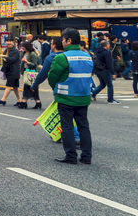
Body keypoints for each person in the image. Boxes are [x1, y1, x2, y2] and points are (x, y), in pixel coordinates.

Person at [47, 28, 94, 164]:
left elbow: (52, 76)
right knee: (83, 126)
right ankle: (86, 156)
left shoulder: (62, 57)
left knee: (67, 126)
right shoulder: (87, 56)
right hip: (83, 96)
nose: (62, 42)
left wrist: (55, 88)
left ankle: (71, 155)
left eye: (63, 39)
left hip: (66, 97)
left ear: (69, 41)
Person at [0, 37, 21, 106]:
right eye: (7, 41)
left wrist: (6, 58)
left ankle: (3, 99)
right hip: (9, 70)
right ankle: (19, 100)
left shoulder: (15, 51)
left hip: (13, 71)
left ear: (13, 42)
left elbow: (13, 59)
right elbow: (6, 59)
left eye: (10, 41)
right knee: (15, 87)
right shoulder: (6, 50)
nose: (8, 42)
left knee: (8, 85)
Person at [91, 39, 119, 104]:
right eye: (108, 44)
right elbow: (109, 63)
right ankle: (110, 99)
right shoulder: (105, 53)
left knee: (103, 84)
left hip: (98, 70)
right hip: (105, 70)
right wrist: (112, 73)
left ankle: (93, 94)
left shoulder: (97, 52)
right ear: (106, 45)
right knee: (110, 85)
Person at [17, 40, 41, 109]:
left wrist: (27, 62)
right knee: (29, 87)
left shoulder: (32, 54)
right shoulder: (24, 53)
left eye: (23, 47)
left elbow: (34, 64)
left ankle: (24, 102)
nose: (22, 48)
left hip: (32, 72)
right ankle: (37, 102)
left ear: (26, 47)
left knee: (30, 87)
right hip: (27, 72)